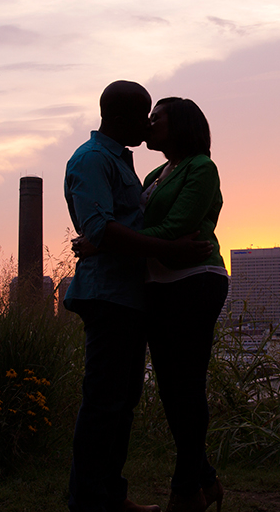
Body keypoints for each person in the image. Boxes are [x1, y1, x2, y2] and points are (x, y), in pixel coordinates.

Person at [63, 80, 212, 512]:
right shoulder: (92, 159)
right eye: (143, 117)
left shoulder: (124, 164)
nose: (147, 126)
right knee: (103, 402)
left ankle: (112, 495)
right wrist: (169, 250)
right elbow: (100, 229)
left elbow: (124, 225)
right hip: (106, 293)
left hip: (130, 295)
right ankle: (89, 501)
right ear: (122, 118)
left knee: (121, 403)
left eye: (154, 117)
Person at [140, 98, 230, 512]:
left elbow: (180, 226)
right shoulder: (155, 174)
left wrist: (117, 238)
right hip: (158, 283)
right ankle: (206, 479)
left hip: (197, 280)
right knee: (171, 389)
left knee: (187, 384)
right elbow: (150, 228)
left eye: (157, 118)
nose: (149, 123)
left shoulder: (201, 168)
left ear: (181, 126)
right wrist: (135, 238)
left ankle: (184, 490)